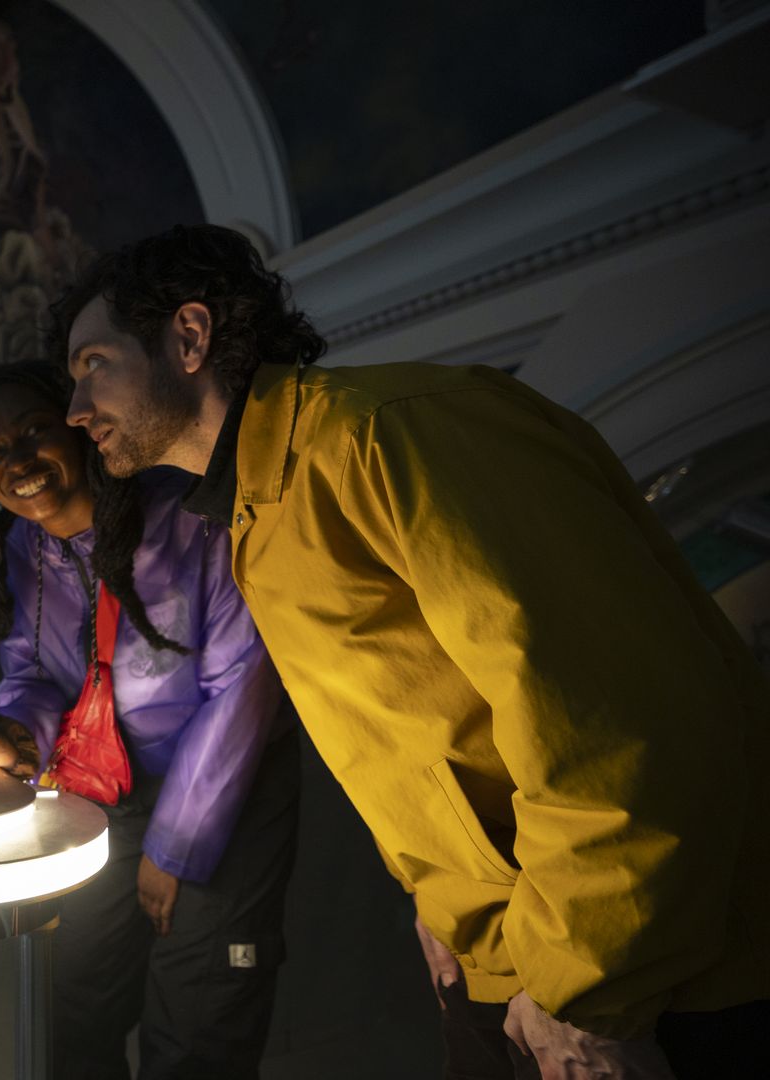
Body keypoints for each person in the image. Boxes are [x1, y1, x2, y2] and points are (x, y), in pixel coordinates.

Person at [56, 224, 770, 1078]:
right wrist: (449, 908)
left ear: (190, 337)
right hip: (507, 965)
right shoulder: (261, 511)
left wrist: (584, 995)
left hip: (647, 983)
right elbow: (428, 735)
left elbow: (613, 724)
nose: (74, 411)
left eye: (93, 364)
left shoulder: (389, 435)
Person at [0, 360, 296, 1079]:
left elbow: (242, 685)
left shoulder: (188, 517)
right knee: (70, 1006)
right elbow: (35, 677)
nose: (16, 460)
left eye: (34, 431)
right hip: (103, 794)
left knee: (199, 1028)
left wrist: (174, 851)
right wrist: (15, 733)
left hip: (221, 794)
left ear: (77, 429)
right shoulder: (25, 549)